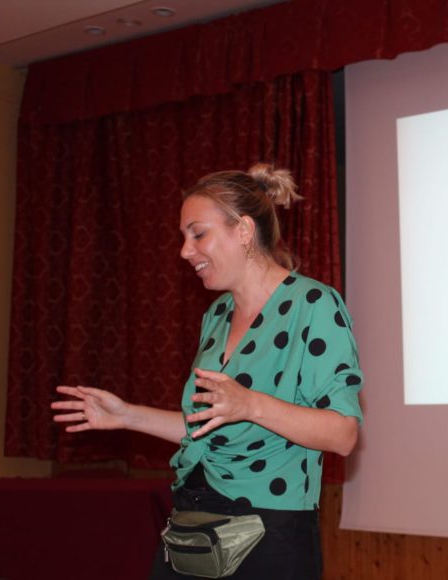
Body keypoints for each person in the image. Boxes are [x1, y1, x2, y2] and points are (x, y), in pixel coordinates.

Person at [51, 163, 363, 579]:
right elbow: (205, 429)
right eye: (183, 237)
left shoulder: (314, 305)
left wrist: (251, 404)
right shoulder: (217, 314)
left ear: (245, 231)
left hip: (269, 534)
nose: (185, 250)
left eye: (198, 234)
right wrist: (125, 415)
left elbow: (343, 434)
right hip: (194, 522)